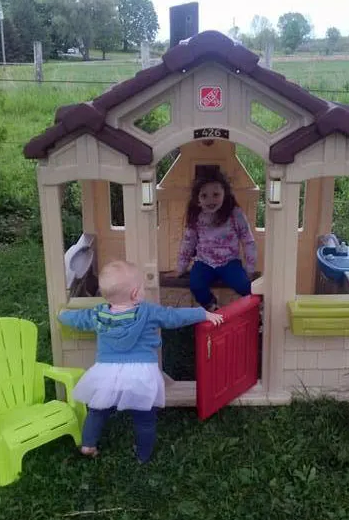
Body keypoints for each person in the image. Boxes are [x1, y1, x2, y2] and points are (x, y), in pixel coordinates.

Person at [58, 260, 223, 463]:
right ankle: (143, 455)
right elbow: (173, 316)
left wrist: (62, 315)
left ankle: (88, 444)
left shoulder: (97, 314)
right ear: (136, 293)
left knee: (97, 410)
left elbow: (77, 319)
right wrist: (202, 313)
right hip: (141, 373)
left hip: (107, 372)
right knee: (144, 417)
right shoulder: (148, 312)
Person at [173, 169, 257, 311]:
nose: (210, 200)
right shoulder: (196, 216)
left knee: (245, 286)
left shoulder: (234, 213)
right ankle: (213, 307)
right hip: (204, 262)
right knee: (196, 285)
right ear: (197, 199)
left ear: (225, 194)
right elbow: (188, 242)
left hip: (230, 262)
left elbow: (247, 239)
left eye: (216, 194)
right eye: (204, 196)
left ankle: (257, 312)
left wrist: (250, 268)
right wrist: (180, 269)